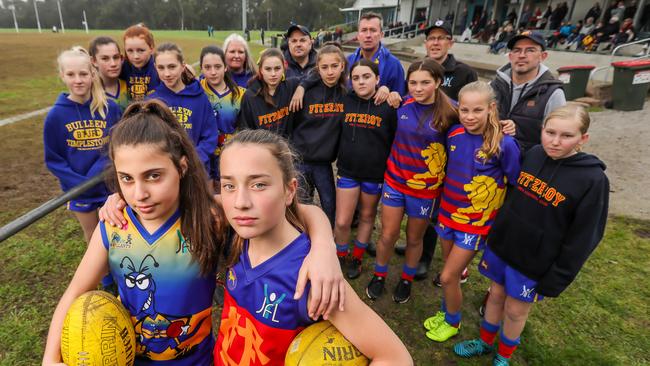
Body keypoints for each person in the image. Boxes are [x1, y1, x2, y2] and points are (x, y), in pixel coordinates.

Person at [42, 100, 347, 366]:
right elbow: (75, 292)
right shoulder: (114, 223)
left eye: (153, 176)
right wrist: (50, 359)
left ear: (182, 166)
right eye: (127, 179)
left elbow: (298, 210)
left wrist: (323, 247)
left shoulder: (209, 214)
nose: (140, 193)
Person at [215, 129, 413, 365]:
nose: (240, 203)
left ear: (289, 191)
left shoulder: (310, 276)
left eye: (258, 184)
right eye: (229, 186)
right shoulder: (238, 234)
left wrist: (322, 247)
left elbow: (395, 357)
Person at [453, 104, 609, 366]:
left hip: (534, 262)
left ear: (583, 139)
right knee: (495, 296)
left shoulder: (593, 180)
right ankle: (484, 342)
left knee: (515, 310)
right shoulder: (535, 154)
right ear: (542, 130)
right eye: (550, 132)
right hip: (504, 248)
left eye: (567, 136)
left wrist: (558, 277)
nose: (555, 142)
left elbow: (584, 237)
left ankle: (503, 357)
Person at [423, 81, 520, 343]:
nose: (469, 117)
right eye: (464, 110)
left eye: (477, 110)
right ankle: (446, 313)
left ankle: (453, 322)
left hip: (475, 224)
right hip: (446, 216)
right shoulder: (453, 133)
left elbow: (515, 182)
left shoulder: (504, 143)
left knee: (448, 276)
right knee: (449, 272)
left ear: (491, 108)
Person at [366, 59, 457, 304]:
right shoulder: (400, 104)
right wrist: (389, 91)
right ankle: (379, 274)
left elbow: (477, 125)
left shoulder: (452, 111)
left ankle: (406, 278)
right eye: (413, 82)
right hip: (395, 182)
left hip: (425, 190)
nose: (418, 88)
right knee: (388, 234)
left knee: (414, 238)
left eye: (425, 83)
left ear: (438, 82)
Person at [43, 46, 122, 243]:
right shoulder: (55, 116)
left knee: (116, 230)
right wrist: (79, 184)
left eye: (83, 74)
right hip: (79, 190)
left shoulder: (109, 108)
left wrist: (105, 171)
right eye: (71, 74)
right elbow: (54, 159)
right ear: (62, 75)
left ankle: (118, 268)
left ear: (92, 73)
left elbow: (119, 145)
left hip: (108, 185)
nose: (78, 80)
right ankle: (101, 273)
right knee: (93, 235)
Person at [336, 59, 397, 279]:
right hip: (348, 171)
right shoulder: (345, 100)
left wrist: (390, 92)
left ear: (378, 79)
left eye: (367, 76)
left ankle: (357, 257)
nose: (361, 81)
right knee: (342, 220)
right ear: (350, 81)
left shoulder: (388, 106)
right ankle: (340, 254)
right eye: (356, 78)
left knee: (367, 215)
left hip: (374, 173)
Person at [291, 45, 347, 226]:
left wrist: (387, 90)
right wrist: (302, 87)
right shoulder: (306, 93)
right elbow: (293, 121)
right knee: (300, 203)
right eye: (324, 67)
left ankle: (327, 237)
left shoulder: (346, 94)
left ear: (342, 66)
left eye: (334, 66)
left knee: (329, 203)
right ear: (318, 69)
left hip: (323, 163)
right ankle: (303, 238)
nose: (330, 72)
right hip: (301, 160)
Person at [147, 43, 217, 172]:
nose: (167, 73)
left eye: (172, 67)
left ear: (183, 66)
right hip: (165, 171)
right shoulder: (152, 102)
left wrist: (192, 159)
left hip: (197, 170)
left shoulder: (199, 97)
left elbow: (210, 136)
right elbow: (149, 141)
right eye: (161, 68)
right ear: (155, 68)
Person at [492, 31, 566, 153]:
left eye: (530, 50)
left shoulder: (553, 94)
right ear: (510, 56)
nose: (522, 55)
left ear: (543, 56)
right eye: (517, 50)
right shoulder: (493, 86)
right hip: (492, 163)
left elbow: (557, 139)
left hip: (528, 166)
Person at [198, 46, 245, 185]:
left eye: (218, 67)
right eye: (207, 67)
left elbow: (244, 128)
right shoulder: (196, 90)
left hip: (228, 156)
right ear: (201, 68)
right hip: (203, 156)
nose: (213, 72)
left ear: (225, 67)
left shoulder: (240, 95)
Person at [238, 48, 299, 138]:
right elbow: (245, 131)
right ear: (261, 70)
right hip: (262, 149)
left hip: (287, 149)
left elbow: (314, 77)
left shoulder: (291, 86)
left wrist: (301, 89)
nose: (273, 74)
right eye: (268, 69)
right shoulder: (250, 96)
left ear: (284, 68)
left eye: (277, 68)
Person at [347, 12, 406, 97]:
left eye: (373, 30)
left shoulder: (394, 65)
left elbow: (400, 99)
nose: (368, 35)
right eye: (364, 30)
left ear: (381, 35)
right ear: (358, 35)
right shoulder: (348, 61)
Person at [89, 36, 129, 112]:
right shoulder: (89, 92)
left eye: (116, 57)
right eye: (105, 58)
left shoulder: (131, 85)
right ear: (94, 61)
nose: (113, 64)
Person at [120, 23, 160, 101]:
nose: (136, 56)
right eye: (130, 51)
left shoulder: (159, 67)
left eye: (141, 50)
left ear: (151, 48)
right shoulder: (123, 67)